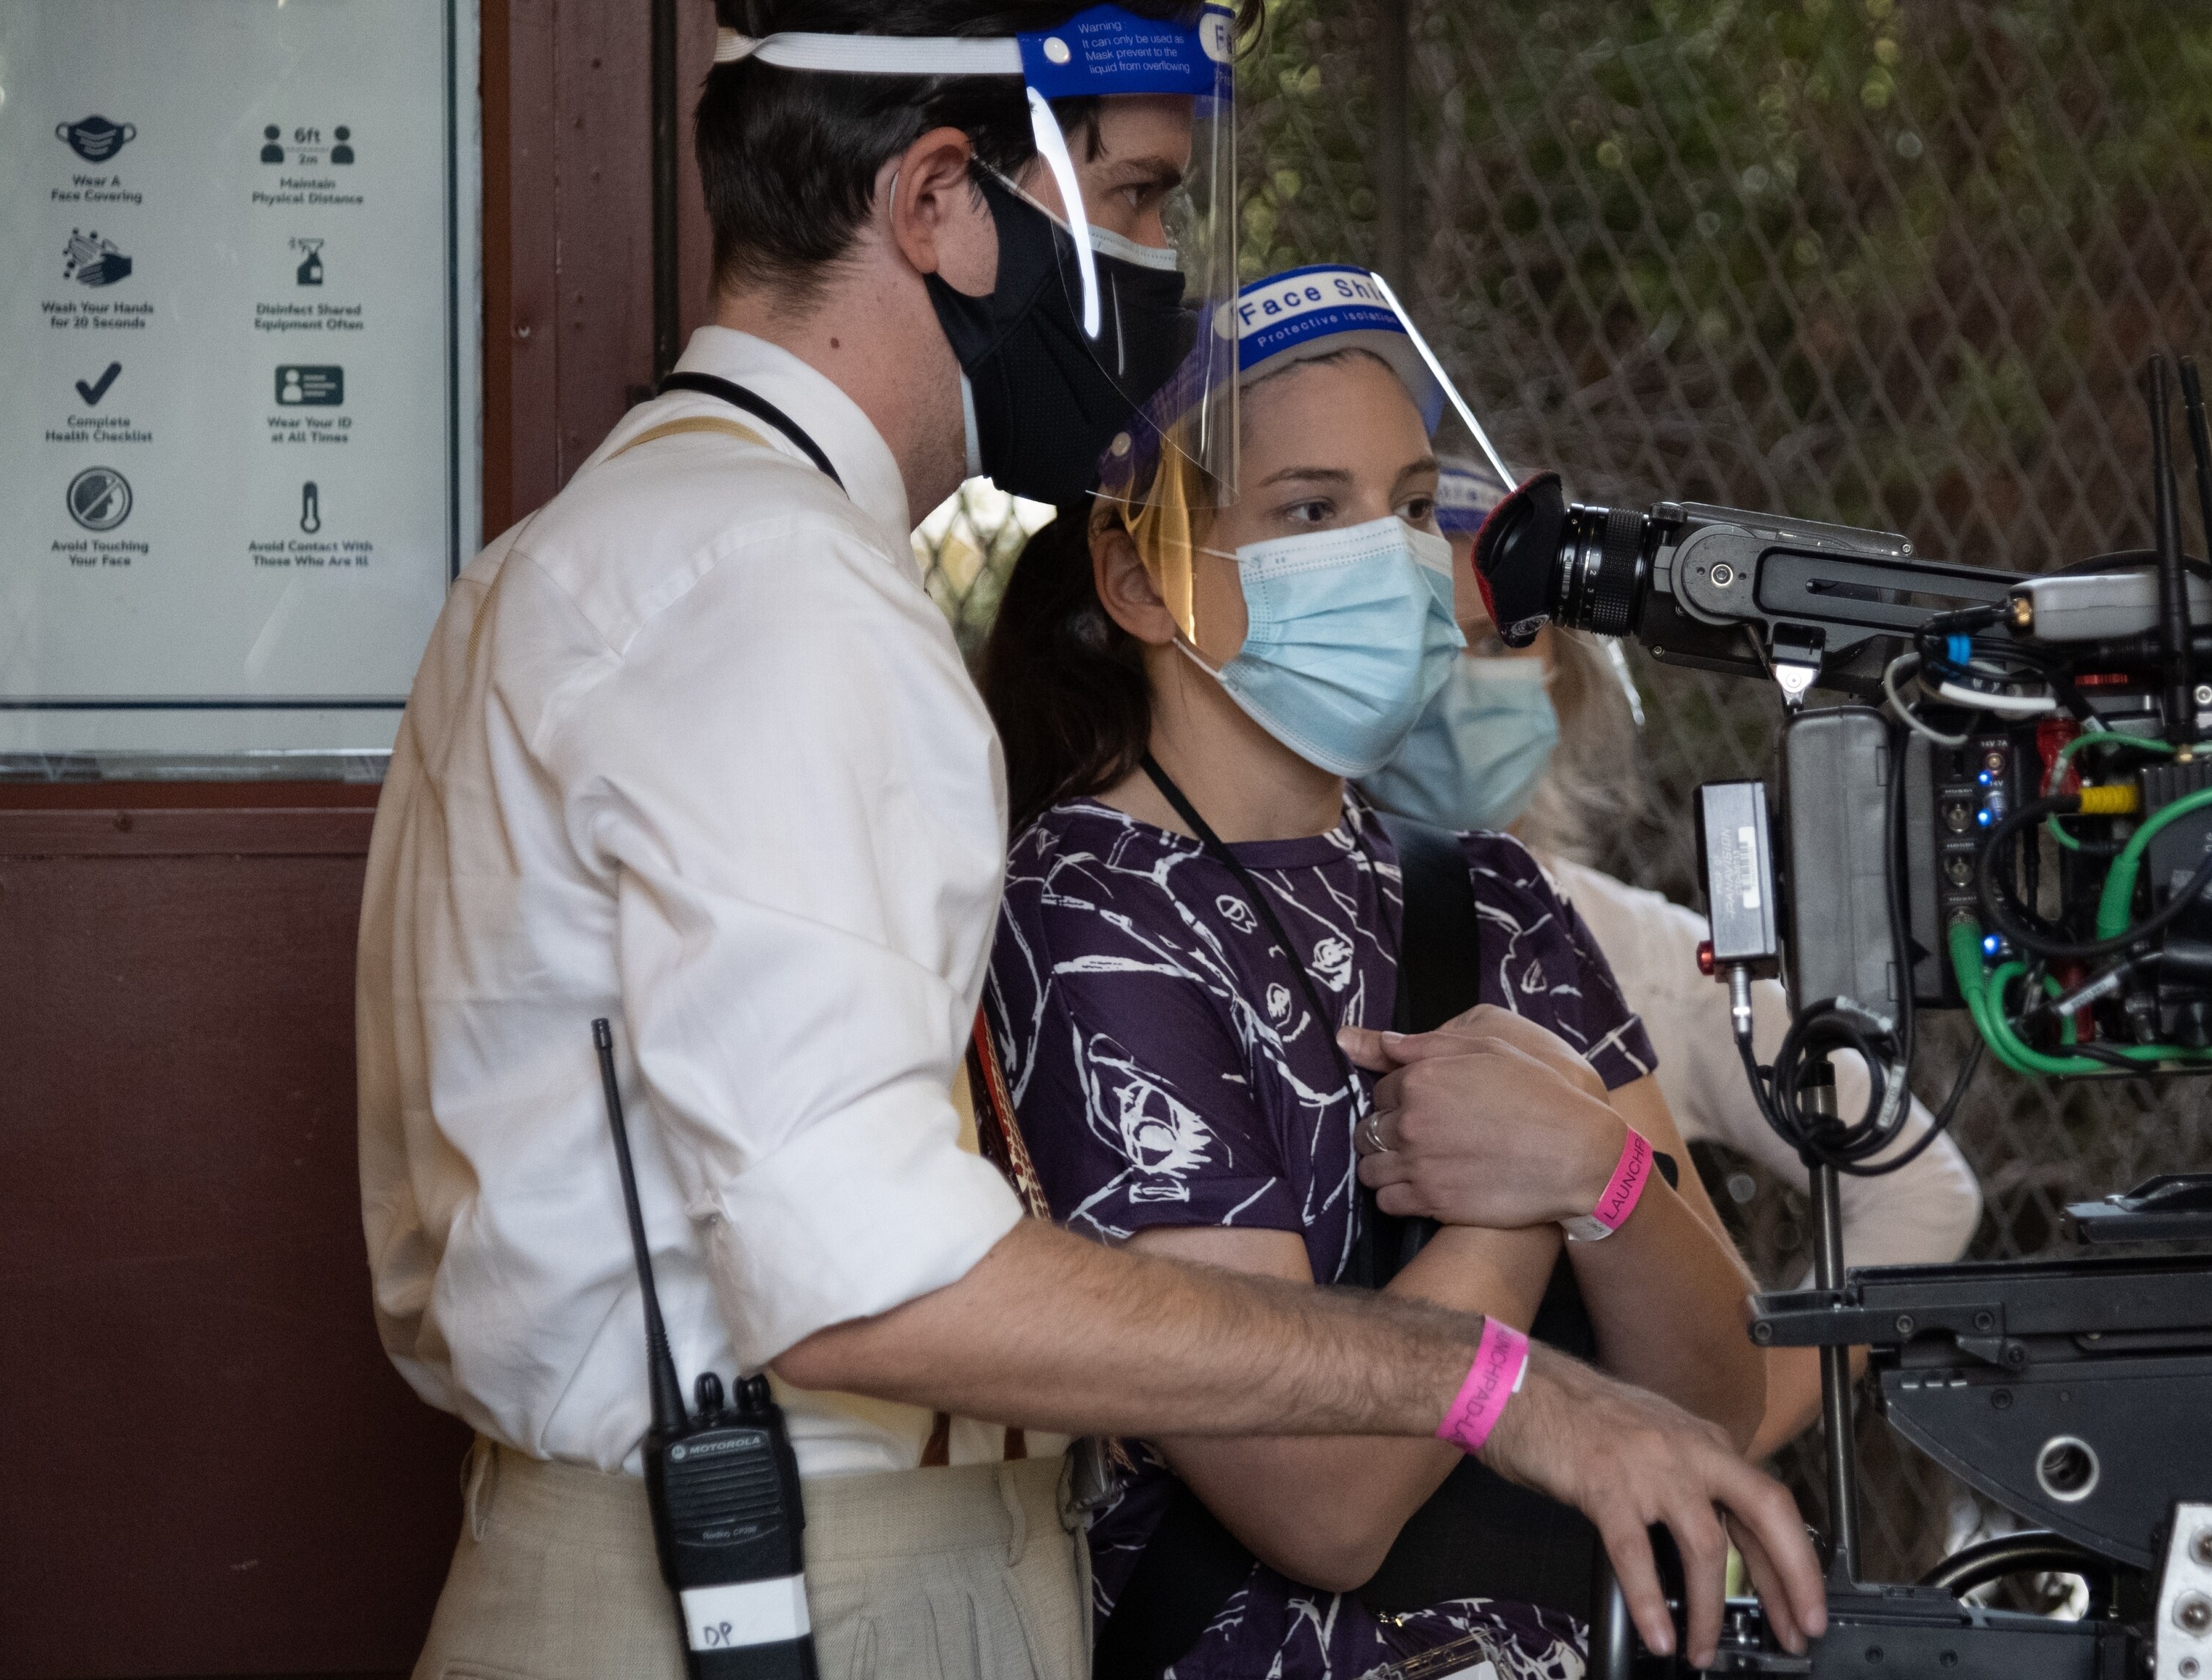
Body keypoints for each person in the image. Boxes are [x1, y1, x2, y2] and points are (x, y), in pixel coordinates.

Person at [355, 7, 1823, 1676]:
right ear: (934, 207)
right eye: (1127, 201)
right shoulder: (784, 597)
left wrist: (1585, 1192)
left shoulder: (591, 552)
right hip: (785, 1582)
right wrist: (1491, 1377)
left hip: (664, 1548)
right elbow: (865, 1276)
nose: (1144, 276)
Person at [976, 265, 1766, 1680]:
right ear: (1136, 579)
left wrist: (1594, 1164)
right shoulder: (1084, 910)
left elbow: (1713, 1396)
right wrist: (1529, 1204)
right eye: (1304, 512)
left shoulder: (1491, 894)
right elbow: (1318, 1502)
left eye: (1407, 508)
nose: (1388, 559)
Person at [1365, 458, 1985, 1460]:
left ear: (1556, 677)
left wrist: (1736, 1421)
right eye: (1423, 636)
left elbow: (1920, 1191)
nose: (1453, 673)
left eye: (1493, 638)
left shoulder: (1643, 950)